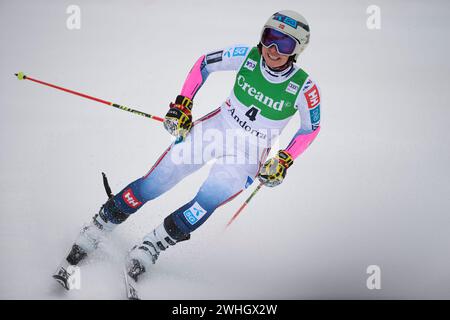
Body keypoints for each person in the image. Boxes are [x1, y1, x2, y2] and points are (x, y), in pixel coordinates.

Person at [53, 10, 321, 288]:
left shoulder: (304, 87)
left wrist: (286, 158)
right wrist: (183, 102)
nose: (273, 49)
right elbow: (204, 63)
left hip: (248, 155)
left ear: (298, 49)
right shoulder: (247, 57)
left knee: (203, 204)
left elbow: (311, 128)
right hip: (216, 130)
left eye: (285, 44)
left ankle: (151, 246)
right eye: (269, 38)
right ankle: (99, 225)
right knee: (154, 183)